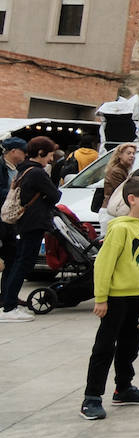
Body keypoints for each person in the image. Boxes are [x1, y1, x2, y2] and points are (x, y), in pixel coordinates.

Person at [80, 175, 139, 420]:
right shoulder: (120, 228)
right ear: (132, 199)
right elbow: (104, 265)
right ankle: (92, 397)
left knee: (130, 346)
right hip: (116, 298)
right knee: (105, 347)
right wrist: (101, 298)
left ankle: (123, 388)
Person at [1, 137, 61, 322]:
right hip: (34, 222)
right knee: (23, 264)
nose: (50, 159)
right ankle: (9, 307)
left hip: (26, 222)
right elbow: (55, 195)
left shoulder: (24, 170)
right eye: (49, 155)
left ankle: (8, 303)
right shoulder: (36, 172)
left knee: (20, 262)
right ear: (41, 153)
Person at [0, 136, 29, 281]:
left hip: (10, 220)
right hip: (2, 216)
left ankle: (6, 295)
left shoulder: (19, 168)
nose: (25, 154)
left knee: (11, 257)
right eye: (23, 151)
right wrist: (14, 192)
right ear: (13, 151)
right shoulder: (2, 167)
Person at [97, 143, 138, 235]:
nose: (132, 156)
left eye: (133, 153)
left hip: (114, 210)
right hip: (111, 211)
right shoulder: (116, 171)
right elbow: (123, 191)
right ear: (120, 155)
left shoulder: (124, 170)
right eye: (128, 153)